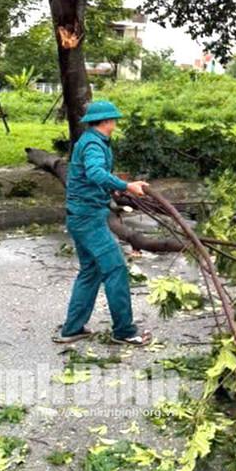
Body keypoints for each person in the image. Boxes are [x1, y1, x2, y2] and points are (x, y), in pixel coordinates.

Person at [53, 100, 152, 346]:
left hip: (81, 216)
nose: (115, 123)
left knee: (91, 271)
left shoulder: (90, 141)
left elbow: (92, 177)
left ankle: (72, 329)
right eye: (114, 119)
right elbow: (96, 173)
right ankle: (124, 331)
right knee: (116, 269)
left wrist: (114, 191)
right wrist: (125, 185)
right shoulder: (94, 145)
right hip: (88, 219)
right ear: (107, 121)